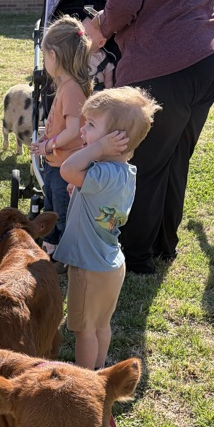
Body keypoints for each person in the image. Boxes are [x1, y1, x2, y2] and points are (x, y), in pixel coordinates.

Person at [83, 0, 214, 275]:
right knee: (174, 155)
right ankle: (164, 244)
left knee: (145, 163)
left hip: (170, 62)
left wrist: (99, 28)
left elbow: (124, 2)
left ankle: (136, 258)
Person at [57, 87, 160, 370]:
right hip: (110, 265)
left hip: (88, 267)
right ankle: (100, 371)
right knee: (102, 324)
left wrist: (97, 149)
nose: (82, 131)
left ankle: (85, 380)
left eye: (90, 125)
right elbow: (90, 191)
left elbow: (67, 169)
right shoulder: (124, 172)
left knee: (84, 330)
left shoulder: (100, 171)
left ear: (117, 140)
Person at [29, 15, 93, 251]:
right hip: (57, 161)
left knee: (62, 212)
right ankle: (51, 247)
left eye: (44, 55)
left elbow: (73, 131)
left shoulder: (72, 89)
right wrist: (46, 138)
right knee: (52, 207)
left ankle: (68, 255)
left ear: (53, 55)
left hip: (66, 165)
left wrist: (48, 145)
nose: (44, 60)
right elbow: (61, 125)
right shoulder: (65, 86)